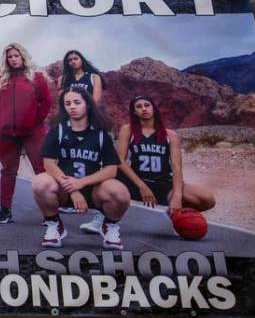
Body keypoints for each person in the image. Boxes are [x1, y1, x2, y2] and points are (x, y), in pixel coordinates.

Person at [79, 95, 215, 233]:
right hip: (135, 182)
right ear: (134, 112)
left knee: (207, 199)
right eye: (138, 106)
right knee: (106, 179)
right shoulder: (128, 130)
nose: (144, 109)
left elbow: (176, 167)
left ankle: (176, 214)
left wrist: (177, 196)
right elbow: (120, 161)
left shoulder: (170, 135)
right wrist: (142, 186)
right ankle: (102, 219)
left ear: (153, 108)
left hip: (162, 183)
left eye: (147, 105)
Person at [31, 87, 131, 249]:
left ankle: (110, 225)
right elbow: (48, 164)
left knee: (120, 192)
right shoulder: (58, 130)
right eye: (67, 103)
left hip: (94, 190)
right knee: (40, 182)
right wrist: (74, 189)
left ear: (88, 105)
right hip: (64, 189)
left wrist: (82, 183)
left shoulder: (100, 134)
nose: (72, 106)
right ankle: (54, 224)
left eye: (77, 102)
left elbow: (111, 170)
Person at [0, 42, 52, 224]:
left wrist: (35, 120)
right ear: (6, 60)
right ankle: (5, 211)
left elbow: (45, 102)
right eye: (10, 57)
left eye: (17, 56)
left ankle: (49, 214)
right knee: (8, 171)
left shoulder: (36, 77)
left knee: (41, 169)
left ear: (23, 57)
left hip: (33, 132)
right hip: (7, 133)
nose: (14, 59)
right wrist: (2, 119)